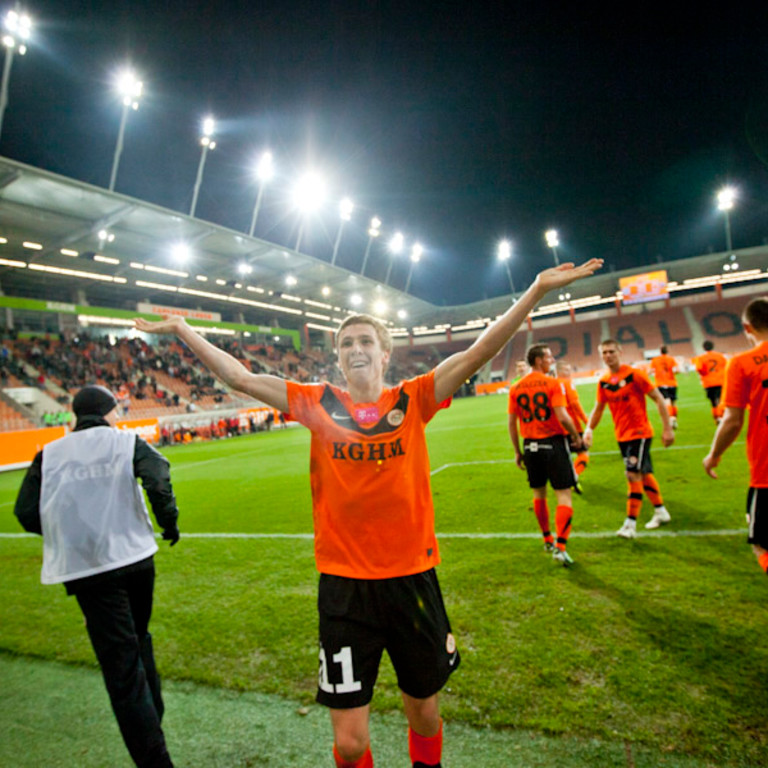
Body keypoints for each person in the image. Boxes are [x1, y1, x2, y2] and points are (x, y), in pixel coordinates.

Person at [135, 258, 602, 768]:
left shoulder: (415, 398)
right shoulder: (316, 403)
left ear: (384, 355)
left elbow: (479, 350)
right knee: (352, 740)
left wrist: (534, 289)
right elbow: (238, 376)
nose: (355, 349)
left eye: (365, 341)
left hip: (412, 580)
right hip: (344, 587)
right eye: (346, 344)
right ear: (339, 360)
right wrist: (182, 328)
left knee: (423, 713)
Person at [14, 385, 180, 768]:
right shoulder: (125, 442)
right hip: (137, 559)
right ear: (108, 410)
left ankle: (154, 755)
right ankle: (153, 723)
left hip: (89, 570)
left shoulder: (49, 454)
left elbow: (25, 512)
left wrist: (66, 533)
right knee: (139, 641)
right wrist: (168, 523)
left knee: (122, 668)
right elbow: (157, 475)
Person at [703, 297, 768, 575]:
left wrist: (713, 455)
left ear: (747, 327)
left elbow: (732, 421)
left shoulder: (742, 363)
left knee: (762, 544)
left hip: (766, 472)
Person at [584, 340, 675, 538]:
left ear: (620, 352)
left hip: (640, 433)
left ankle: (630, 524)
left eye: (611, 351)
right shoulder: (604, 381)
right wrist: (589, 429)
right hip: (622, 435)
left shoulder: (634, 375)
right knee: (642, 473)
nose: (608, 355)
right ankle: (660, 511)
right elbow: (598, 408)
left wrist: (667, 428)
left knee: (632, 474)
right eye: (604, 352)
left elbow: (658, 398)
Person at [509, 346, 583, 566]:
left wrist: (517, 451)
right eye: (549, 357)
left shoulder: (516, 387)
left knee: (538, 494)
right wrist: (576, 435)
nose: (552, 360)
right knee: (563, 495)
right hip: (553, 444)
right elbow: (562, 415)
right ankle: (560, 546)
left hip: (530, 446)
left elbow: (512, 423)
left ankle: (547, 539)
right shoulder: (553, 384)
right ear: (540, 360)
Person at [555, 360, 590, 486]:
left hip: (557, 427)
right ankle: (573, 477)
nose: (569, 372)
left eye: (569, 369)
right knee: (583, 454)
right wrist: (586, 420)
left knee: (564, 456)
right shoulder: (567, 383)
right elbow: (574, 403)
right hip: (572, 425)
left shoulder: (552, 384)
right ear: (558, 371)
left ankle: (563, 479)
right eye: (566, 369)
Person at [693, 340, 728, 423]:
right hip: (720, 381)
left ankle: (717, 418)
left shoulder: (701, 358)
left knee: (713, 401)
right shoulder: (720, 356)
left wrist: (704, 374)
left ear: (704, 348)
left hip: (708, 382)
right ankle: (722, 416)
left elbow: (699, 369)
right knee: (720, 399)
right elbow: (727, 366)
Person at [649, 345, 678, 428]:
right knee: (673, 402)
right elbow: (676, 370)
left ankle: (671, 418)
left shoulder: (655, 360)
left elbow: (651, 371)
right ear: (667, 351)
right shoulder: (671, 359)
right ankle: (674, 418)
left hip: (661, 383)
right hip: (672, 383)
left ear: (660, 351)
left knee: (666, 400)